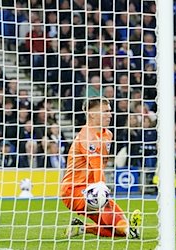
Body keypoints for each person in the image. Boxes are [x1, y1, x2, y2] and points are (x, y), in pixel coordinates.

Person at [60, 97, 140, 238]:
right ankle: (129, 230)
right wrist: (101, 189)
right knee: (110, 213)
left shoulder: (107, 134)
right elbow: (97, 167)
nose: (110, 114)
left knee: (117, 228)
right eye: (105, 111)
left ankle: (83, 228)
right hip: (74, 190)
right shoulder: (86, 137)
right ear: (91, 114)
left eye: (110, 111)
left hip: (91, 187)